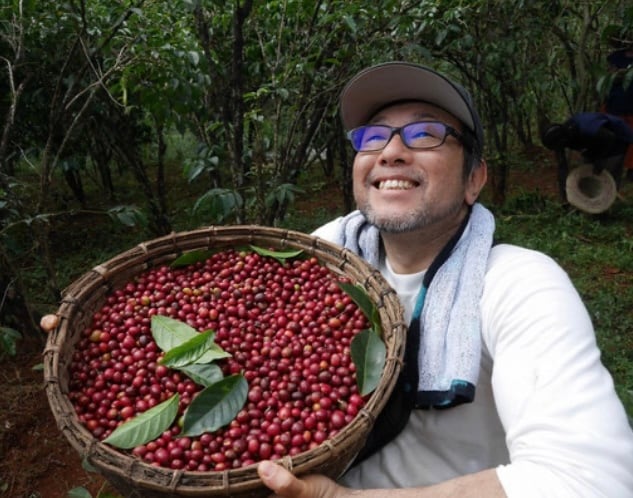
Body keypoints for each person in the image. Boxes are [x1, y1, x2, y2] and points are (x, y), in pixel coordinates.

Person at [255, 62, 633, 497]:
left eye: (425, 133)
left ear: (474, 179)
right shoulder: (327, 254)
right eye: (373, 136)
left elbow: (593, 480)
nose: (390, 152)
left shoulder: (517, 284)